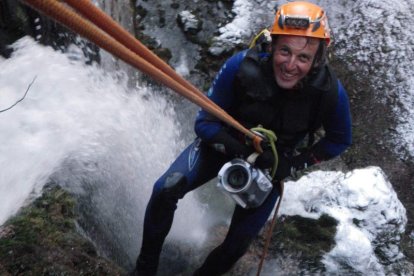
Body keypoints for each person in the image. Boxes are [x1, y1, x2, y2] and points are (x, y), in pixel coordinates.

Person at [133, 1, 352, 275]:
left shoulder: (329, 93)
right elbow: (205, 123)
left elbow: (339, 139)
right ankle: (145, 269)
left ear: (317, 59)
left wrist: (294, 164)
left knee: (237, 244)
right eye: (285, 51)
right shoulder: (241, 66)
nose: (291, 65)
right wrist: (240, 149)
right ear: (272, 46)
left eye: (303, 58)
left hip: (271, 167)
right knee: (166, 189)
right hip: (223, 144)